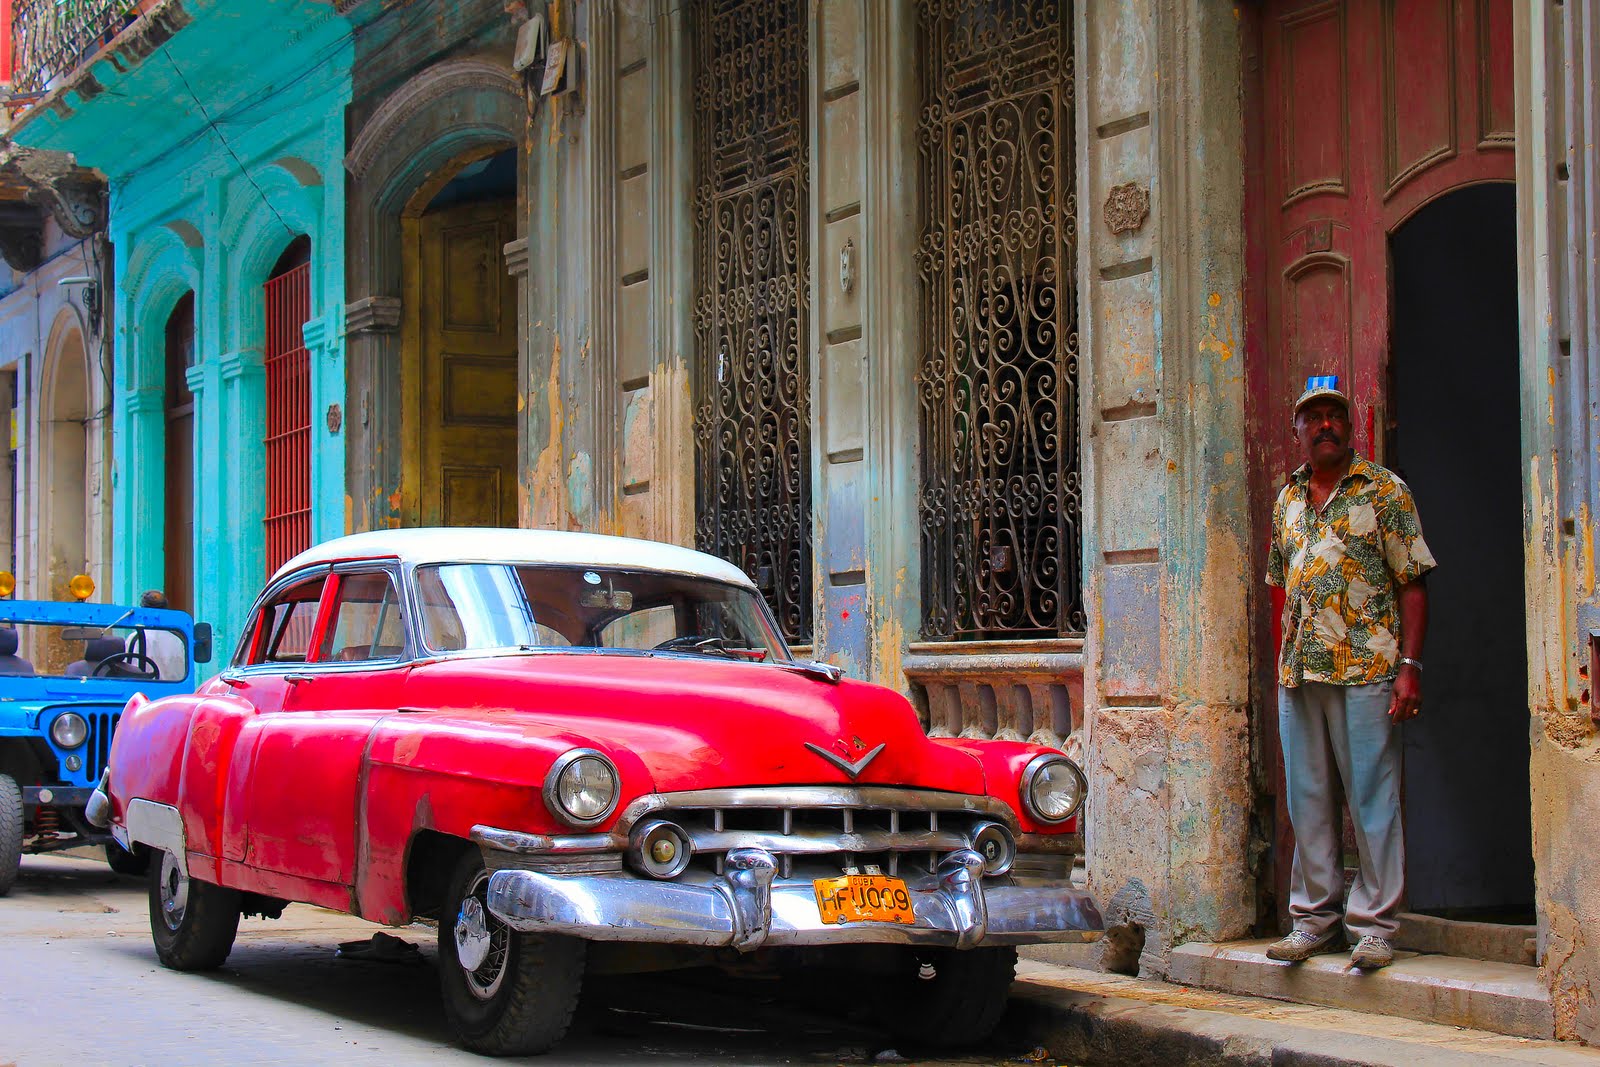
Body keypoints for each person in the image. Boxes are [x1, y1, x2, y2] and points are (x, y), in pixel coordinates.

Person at [1263, 374, 1435, 971]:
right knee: (1308, 799)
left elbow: (1412, 582)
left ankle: (1375, 926)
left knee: (1372, 798)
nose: (1325, 424)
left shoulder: (1384, 491)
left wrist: (1409, 666)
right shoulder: (1287, 500)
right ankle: (1313, 921)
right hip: (1300, 674)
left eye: (1334, 413)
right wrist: (1281, 661)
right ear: (1298, 430)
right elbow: (1280, 587)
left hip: (1367, 668)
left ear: (1350, 422)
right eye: (1314, 416)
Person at [126, 590, 188, 681]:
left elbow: (127, 670)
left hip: (142, 690)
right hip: (173, 692)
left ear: (142, 610)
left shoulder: (135, 638)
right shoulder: (177, 641)